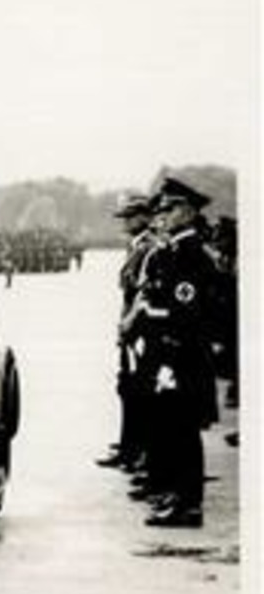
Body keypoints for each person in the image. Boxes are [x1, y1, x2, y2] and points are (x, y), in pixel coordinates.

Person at [128, 177, 219, 528]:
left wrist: (167, 361)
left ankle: (188, 504)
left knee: (183, 432)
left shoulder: (191, 256)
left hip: (181, 357)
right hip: (172, 355)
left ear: (187, 212)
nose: (162, 216)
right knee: (172, 429)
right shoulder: (176, 253)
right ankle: (177, 497)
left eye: (169, 209)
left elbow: (186, 317)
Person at [97, 194, 158, 474]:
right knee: (127, 389)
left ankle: (137, 452)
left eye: (131, 217)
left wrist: (131, 328)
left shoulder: (148, 247)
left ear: (145, 217)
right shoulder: (136, 246)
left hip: (141, 330)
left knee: (137, 391)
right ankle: (129, 446)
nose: (125, 222)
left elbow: (143, 294)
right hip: (131, 328)